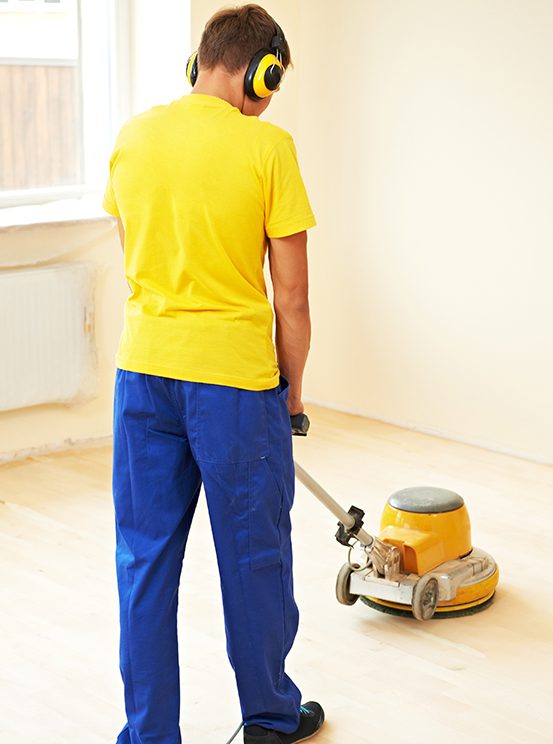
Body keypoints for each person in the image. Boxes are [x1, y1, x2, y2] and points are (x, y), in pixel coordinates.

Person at [102, 5, 324, 743]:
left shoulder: (133, 139)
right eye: (274, 82)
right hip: (234, 387)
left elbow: (134, 255)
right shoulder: (268, 147)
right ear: (262, 70)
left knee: (143, 563)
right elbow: (290, 297)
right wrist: (291, 390)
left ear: (199, 63)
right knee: (254, 557)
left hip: (143, 377)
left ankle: (148, 734)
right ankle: (267, 717)